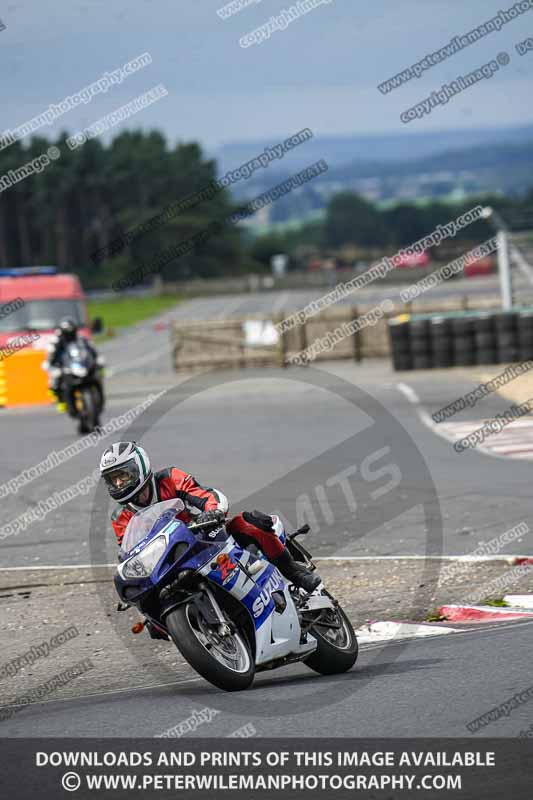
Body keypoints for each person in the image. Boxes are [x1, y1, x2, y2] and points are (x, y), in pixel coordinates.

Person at [100, 442, 322, 612]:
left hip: (199, 534)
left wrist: (213, 510)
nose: (119, 483)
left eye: (124, 475)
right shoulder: (120, 516)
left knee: (248, 523)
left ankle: (293, 571)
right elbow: (128, 552)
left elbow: (205, 495)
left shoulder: (168, 478)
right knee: (150, 607)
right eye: (113, 479)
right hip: (166, 559)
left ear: (140, 467)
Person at [44, 318, 104, 414]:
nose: (69, 334)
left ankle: (99, 400)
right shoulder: (56, 342)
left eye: (71, 331)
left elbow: (92, 350)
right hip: (66, 368)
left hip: (82, 365)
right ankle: (61, 401)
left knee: (97, 376)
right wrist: (50, 365)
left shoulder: (82, 339)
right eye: (67, 332)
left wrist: (98, 360)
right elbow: (51, 356)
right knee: (54, 382)